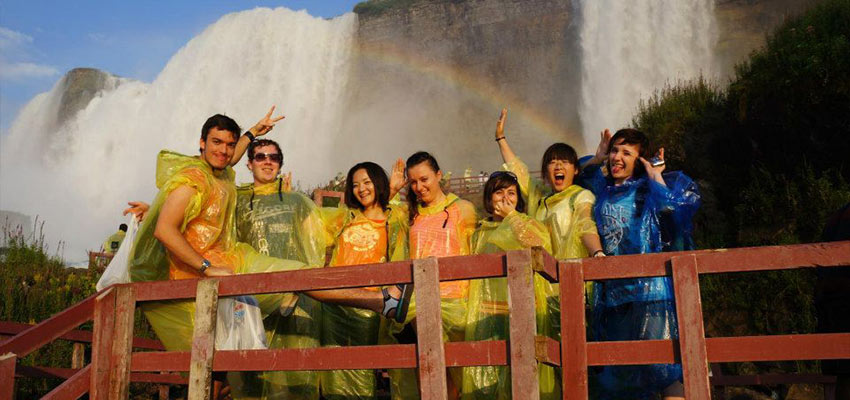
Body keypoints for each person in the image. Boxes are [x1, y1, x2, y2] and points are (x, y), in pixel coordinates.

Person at [125, 110, 409, 399]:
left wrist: (252, 133)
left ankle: (379, 301)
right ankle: (381, 301)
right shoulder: (193, 180)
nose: (224, 151)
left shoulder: (223, 174)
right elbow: (165, 229)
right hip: (209, 273)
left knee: (297, 282)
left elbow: (229, 161)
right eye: (216, 143)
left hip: (236, 261)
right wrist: (205, 264)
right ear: (202, 143)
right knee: (220, 365)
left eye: (229, 144)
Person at [579, 128, 700, 400]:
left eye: (626, 152)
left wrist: (655, 176)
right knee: (622, 376)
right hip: (615, 297)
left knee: (664, 369)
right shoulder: (603, 190)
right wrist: (597, 157)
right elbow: (580, 176)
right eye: (614, 151)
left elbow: (676, 211)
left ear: (639, 160)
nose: (617, 158)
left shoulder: (647, 191)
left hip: (651, 294)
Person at [493, 108, 604, 399]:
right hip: (543, 294)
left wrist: (598, 254)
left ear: (575, 170)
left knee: (578, 361)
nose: (558, 166)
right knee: (549, 360)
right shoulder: (540, 202)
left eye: (565, 161)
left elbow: (585, 224)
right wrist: (501, 137)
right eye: (552, 162)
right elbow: (517, 171)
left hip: (576, 291)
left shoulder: (581, 196)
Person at [232, 138, 325, 400]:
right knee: (250, 371)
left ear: (280, 164)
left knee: (292, 368)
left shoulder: (298, 202)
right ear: (249, 163)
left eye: (273, 157)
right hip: (251, 297)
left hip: (294, 298)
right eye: (260, 156)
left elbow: (319, 237)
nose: (267, 161)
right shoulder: (237, 201)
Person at [318, 161, 409, 399]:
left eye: (367, 182)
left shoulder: (396, 219)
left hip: (369, 305)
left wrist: (393, 192)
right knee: (334, 369)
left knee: (362, 369)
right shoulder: (344, 217)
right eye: (356, 185)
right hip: (334, 304)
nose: (361, 189)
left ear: (378, 183)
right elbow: (310, 226)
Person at [392, 151, 479, 399]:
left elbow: (477, 253)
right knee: (431, 369)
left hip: (459, 302)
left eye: (425, 179)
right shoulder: (408, 213)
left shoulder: (463, 209)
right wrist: (391, 189)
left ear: (439, 175)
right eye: (413, 182)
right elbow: (379, 216)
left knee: (462, 372)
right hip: (422, 303)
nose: (419, 187)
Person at [463, 171, 552, 399]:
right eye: (498, 192)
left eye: (511, 193)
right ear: (489, 198)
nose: (505, 198)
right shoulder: (478, 233)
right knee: (485, 378)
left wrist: (512, 218)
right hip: (485, 314)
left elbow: (538, 249)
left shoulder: (530, 224)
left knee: (521, 376)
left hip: (521, 313)